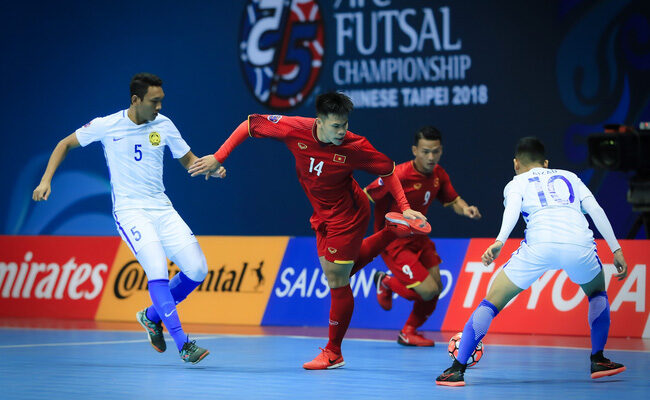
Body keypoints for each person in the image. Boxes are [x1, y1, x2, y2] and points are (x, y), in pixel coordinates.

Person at [188, 92, 430, 370]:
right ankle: (390, 232)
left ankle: (333, 352)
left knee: (338, 281)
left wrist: (404, 206)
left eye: (345, 125)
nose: (342, 131)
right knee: (340, 271)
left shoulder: (355, 146)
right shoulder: (294, 128)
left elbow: (388, 169)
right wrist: (220, 157)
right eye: (336, 126)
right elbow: (250, 125)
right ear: (320, 122)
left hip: (349, 213)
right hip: (322, 214)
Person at [32, 73, 224, 364]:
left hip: (162, 208)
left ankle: (150, 317)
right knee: (157, 269)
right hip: (130, 211)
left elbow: (189, 162)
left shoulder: (165, 125)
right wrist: (46, 180)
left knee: (197, 270)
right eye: (154, 101)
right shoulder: (106, 125)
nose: (159, 107)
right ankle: (184, 344)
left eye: (162, 101)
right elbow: (64, 144)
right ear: (136, 100)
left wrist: (209, 168)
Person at [435, 137, 628, 387]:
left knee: (492, 301)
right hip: (579, 245)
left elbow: (512, 210)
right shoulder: (571, 176)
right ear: (546, 163)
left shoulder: (516, 182)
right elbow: (596, 210)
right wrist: (616, 249)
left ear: (516, 164)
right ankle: (599, 359)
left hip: (539, 246)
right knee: (596, 293)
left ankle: (456, 370)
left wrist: (499, 241)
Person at [364, 126, 481, 347]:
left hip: (419, 236)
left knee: (436, 289)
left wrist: (466, 209)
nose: (431, 157)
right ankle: (385, 281)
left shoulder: (439, 174)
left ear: (441, 151)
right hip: (394, 240)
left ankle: (409, 332)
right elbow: (366, 194)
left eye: (435, 151)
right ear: (414, 150)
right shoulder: (398, 174)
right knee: (426, 291)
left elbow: (454, 200)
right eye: (425, 151)